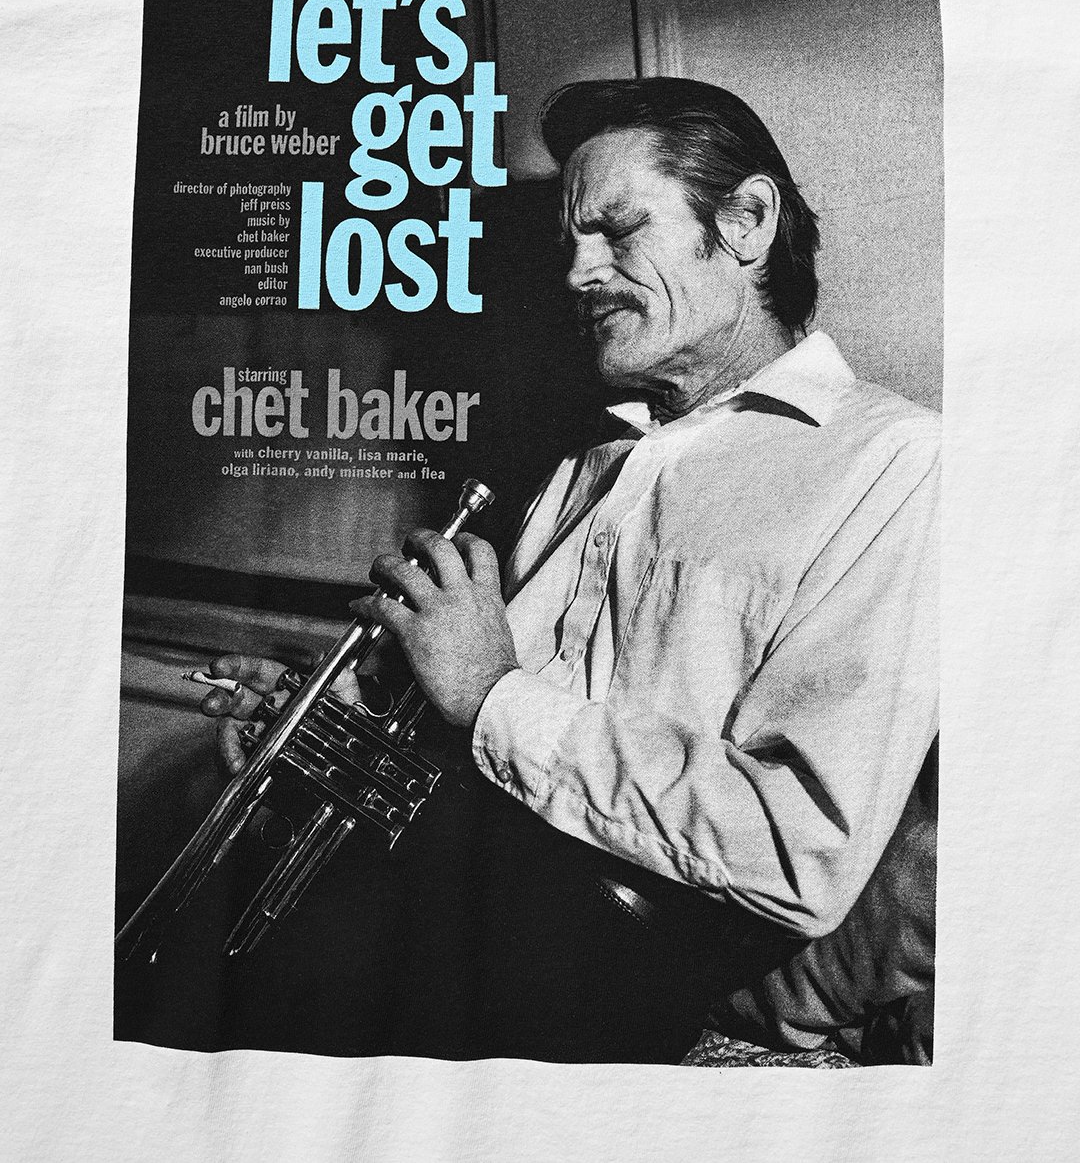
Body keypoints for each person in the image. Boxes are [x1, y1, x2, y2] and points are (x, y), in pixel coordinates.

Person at [199, 78, 939, 1063]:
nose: (580, 273)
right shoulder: (580, 470)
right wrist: (335, 735)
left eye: (619, 231)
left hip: (612, 999)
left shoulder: (893, 461)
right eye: (570, 245)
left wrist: (490, 694)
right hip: (459, 949)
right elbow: (478, 752)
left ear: (748, 223)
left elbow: (796, 850)